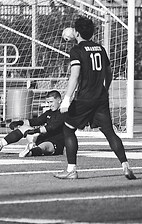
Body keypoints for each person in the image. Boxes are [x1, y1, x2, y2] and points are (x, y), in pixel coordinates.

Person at [54, 16, 136, 180]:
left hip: (84, 98)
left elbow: (74, 76)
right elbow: (109, 73)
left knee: (68, 129)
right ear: (92, 33)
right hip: (101, 98)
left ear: (77, 33)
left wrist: (66, 99)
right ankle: (125, 165)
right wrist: (105, 89)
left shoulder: (76, 50)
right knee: (110, 133)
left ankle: (71, 169)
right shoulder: (100, 48)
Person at [0, 90, 65, 158]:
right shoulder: (49, 112)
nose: (49, 105)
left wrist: (34, 131)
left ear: (59, 101)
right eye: (48, 102)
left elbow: (51, 127)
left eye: (51, 102)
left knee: (44, 147)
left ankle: (29, 152)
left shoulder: (64, 113)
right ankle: (0, 143)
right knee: (24, 127)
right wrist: (19, 122)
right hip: (43, 138)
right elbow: (36, 121)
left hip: (56, 143)